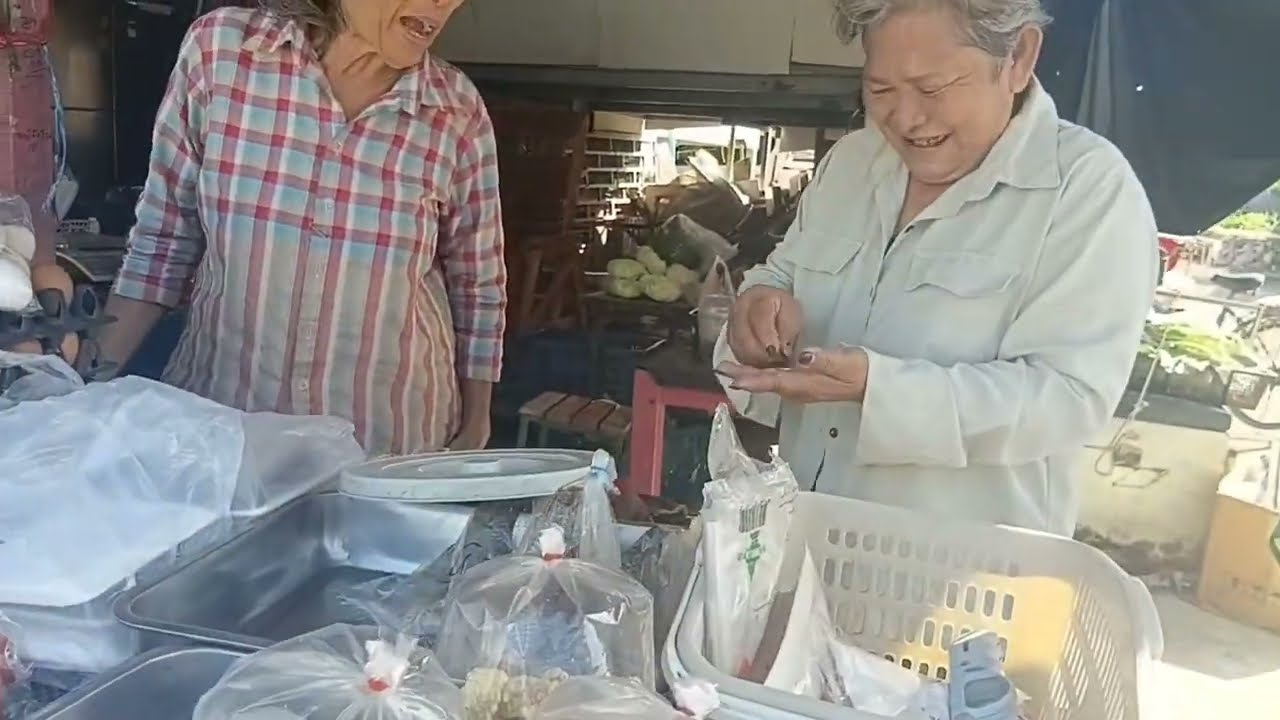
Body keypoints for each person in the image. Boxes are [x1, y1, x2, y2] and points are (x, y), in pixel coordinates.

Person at [716, 0, 1157, 535]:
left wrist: (881, 390)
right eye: (881, 90)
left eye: (932, 88)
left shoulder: (1086, 189)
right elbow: (783, 274)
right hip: (804, 539)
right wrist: (759, 304)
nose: (905, 118)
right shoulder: (852, 163)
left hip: (959, 568)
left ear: (1018, 57)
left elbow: (1068, 398)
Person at [100, 0, 506, 456]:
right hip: (225, 441)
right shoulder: (222, 53)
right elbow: (162, 242)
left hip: (385, 452)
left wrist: (476, 424)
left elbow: (478, 282)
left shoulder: (456, 111)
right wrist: (82, 386)